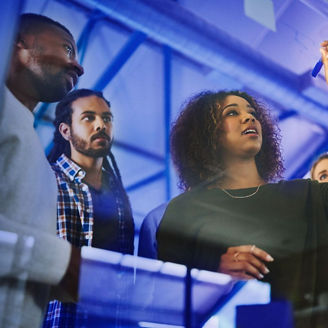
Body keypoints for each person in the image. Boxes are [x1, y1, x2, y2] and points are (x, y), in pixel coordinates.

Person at [153, 90, 328, 325]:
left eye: (252, 112)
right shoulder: (183, 211)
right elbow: (164, 296)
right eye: (232, 113)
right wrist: (213, 267)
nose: (249, 118)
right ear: (208, 133)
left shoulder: (306, 195)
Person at [0, 13, 84, 328]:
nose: (78, 66)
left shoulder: (27, 138)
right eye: (66, 50)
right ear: (18, 46)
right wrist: (61, 264)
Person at [43, 89, 135, 327]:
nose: (100, 125)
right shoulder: (45, 178)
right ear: (66, 130)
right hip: (61, 321)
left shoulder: (118, 194)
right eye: (88, 117)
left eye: (107, 118)